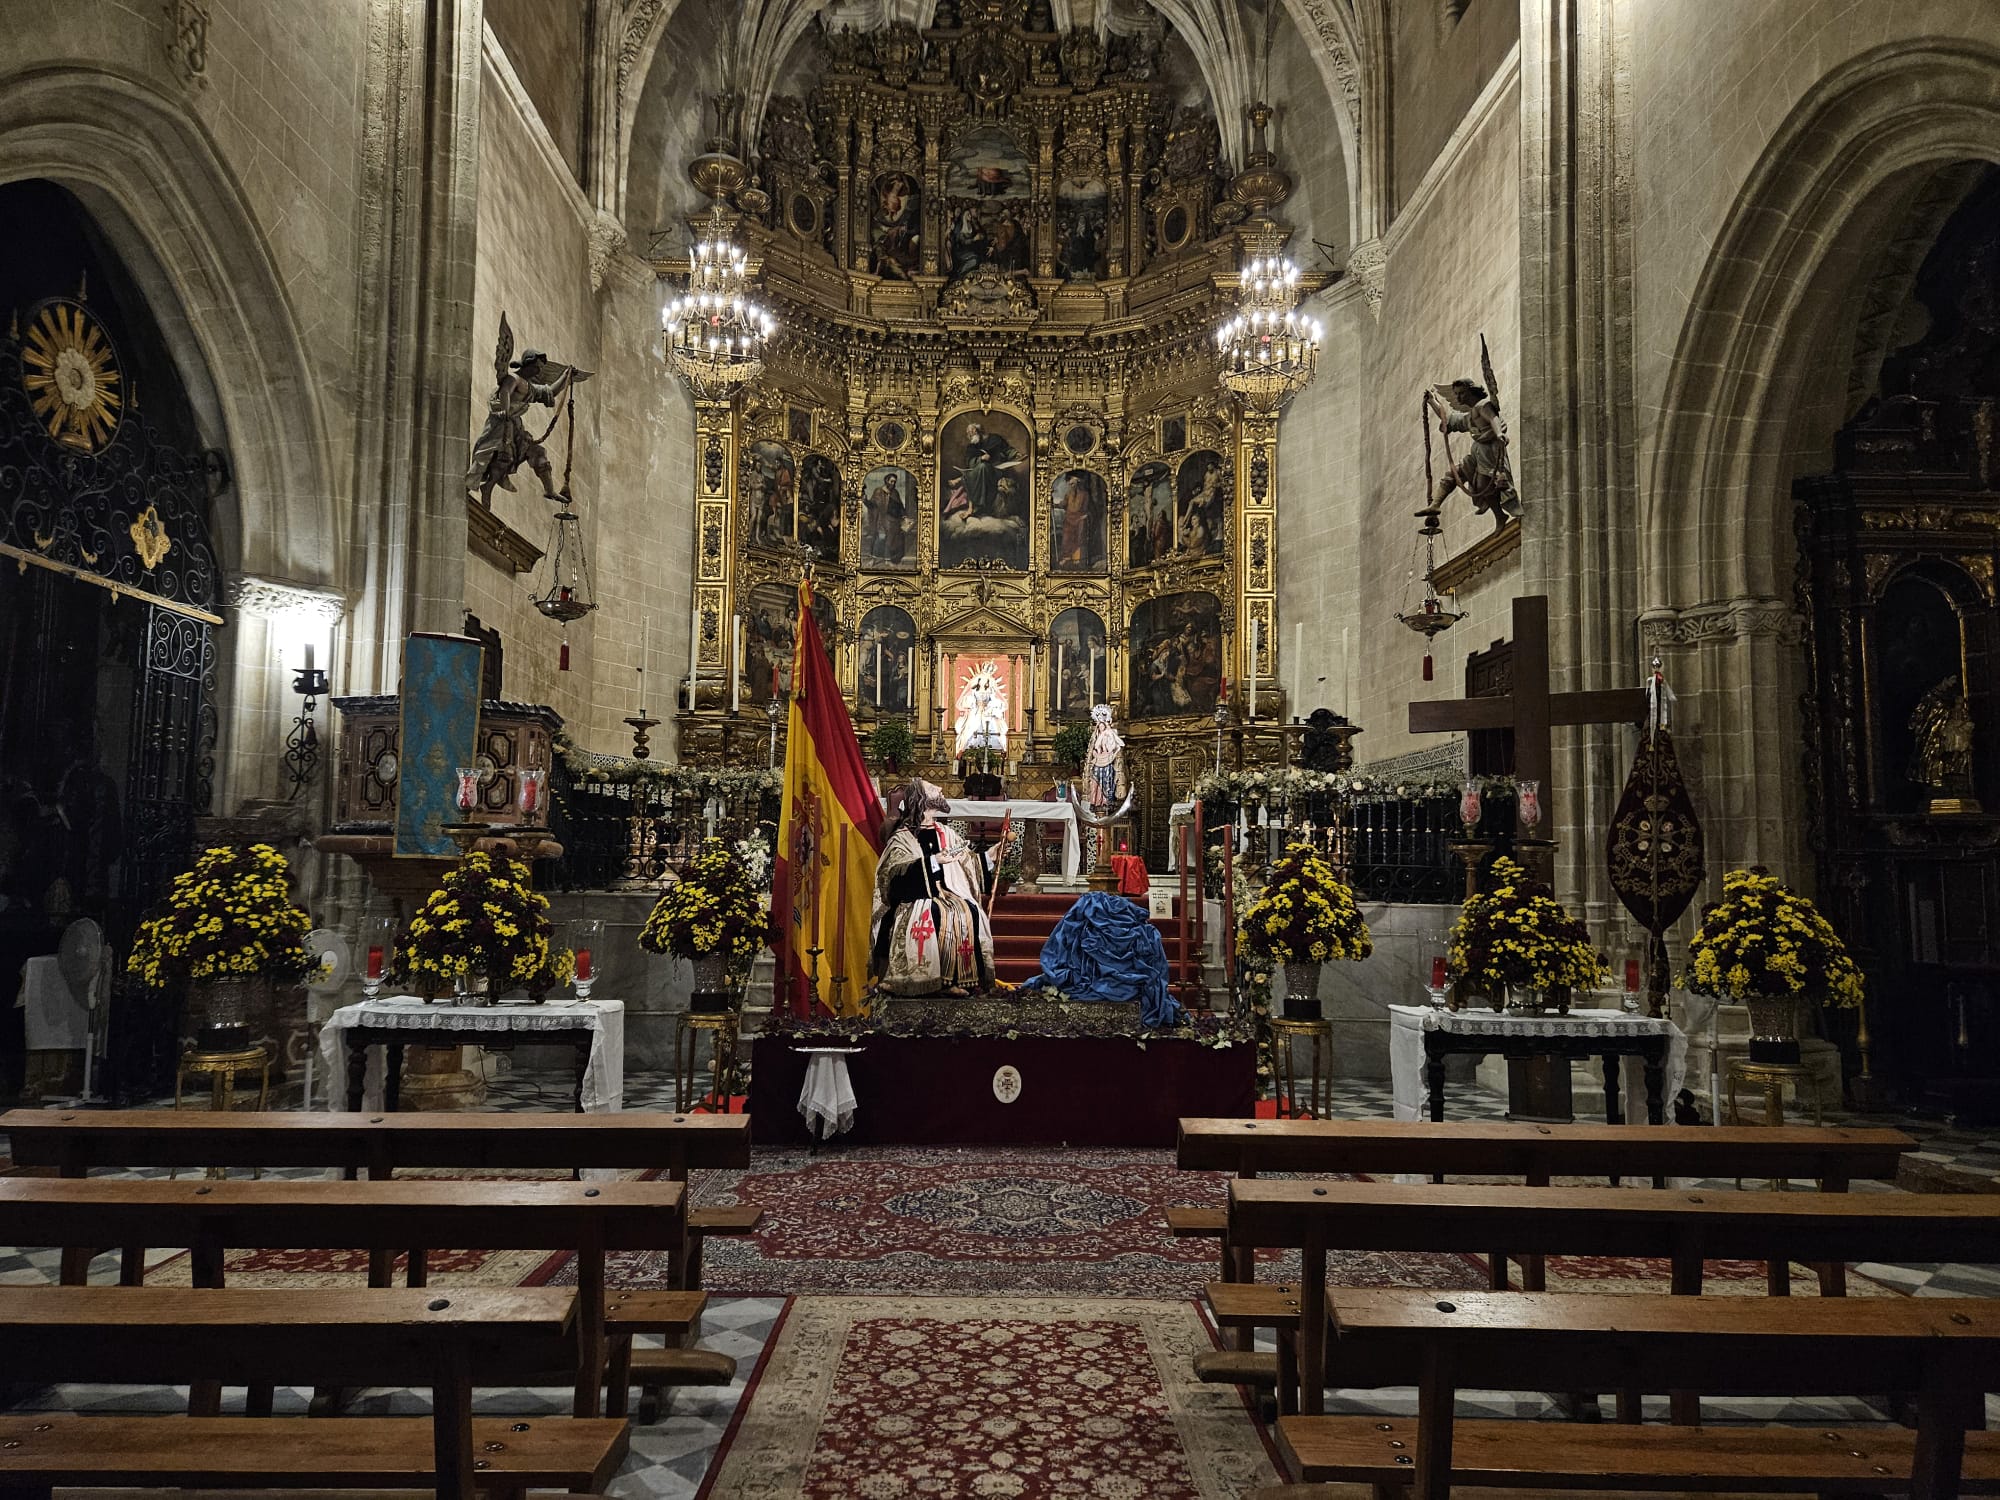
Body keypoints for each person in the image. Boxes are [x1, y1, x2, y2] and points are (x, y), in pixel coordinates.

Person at [870, 780, 1003, 997]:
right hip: (916, 896)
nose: (940, 790)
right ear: (921, 800)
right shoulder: (903, 837)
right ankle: (921, 979)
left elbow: (967, 863)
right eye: (933, 789)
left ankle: (956, 978)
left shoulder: (945, 833)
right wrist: (933, 862)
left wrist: (989, 857)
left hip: (948, 893)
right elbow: (893, 875)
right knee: (934, 913)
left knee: (968, 910)